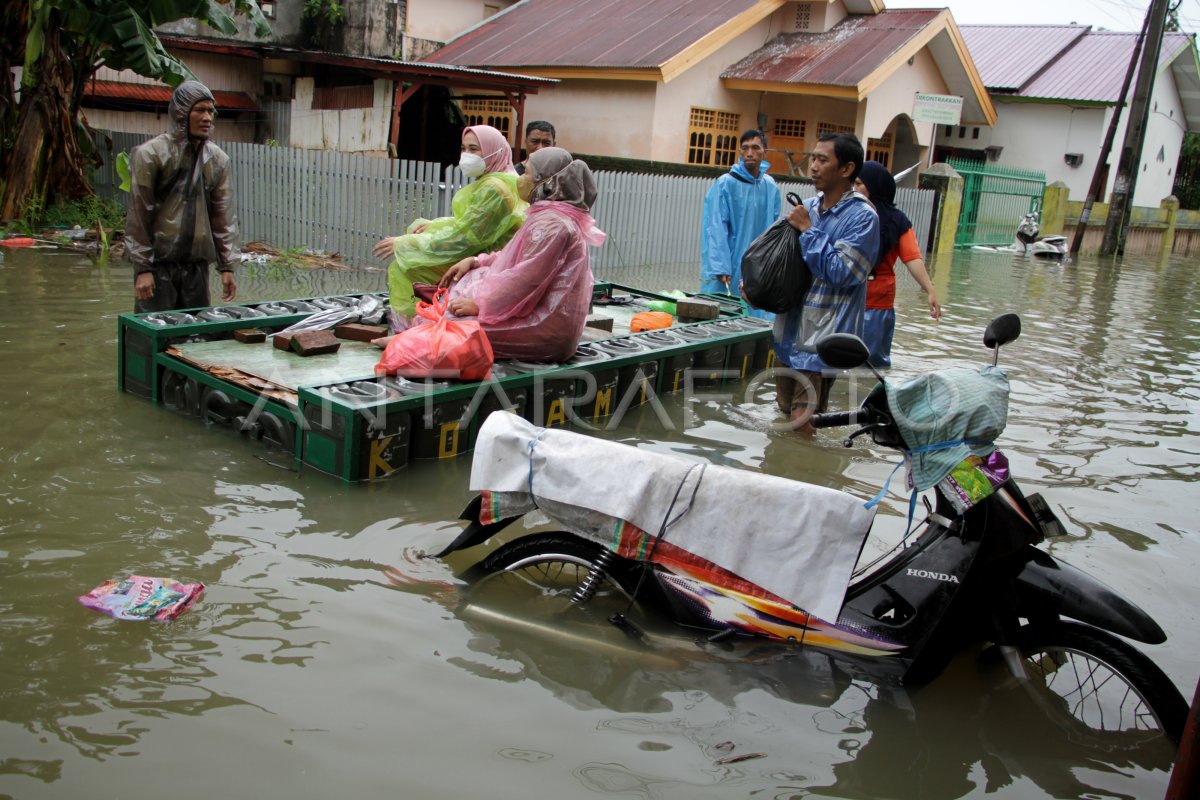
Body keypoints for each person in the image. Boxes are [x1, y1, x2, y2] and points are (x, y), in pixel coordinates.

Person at [431, 147, 605, 362]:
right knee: (468, 284)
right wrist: (476, 260)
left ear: (547, 182)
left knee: (444, 323)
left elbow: (526, 280)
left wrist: (481, 306)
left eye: (527, 173)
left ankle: (412, 344)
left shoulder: (551, 225)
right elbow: (514, 257)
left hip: (544, 328)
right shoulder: (550, 216)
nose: (520, 178)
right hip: (546, 318)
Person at [770, 132, 879, 434]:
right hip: (788, 333)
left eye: (822, 160)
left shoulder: (863, 217)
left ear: (846, 169)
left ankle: (803, 476)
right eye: (812, 158)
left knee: (802, 423)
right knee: (783, 414)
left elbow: (840, 272)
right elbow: (783, 260)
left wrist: (808, 231)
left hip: (821, 340)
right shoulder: (808, 207)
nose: (813, 166)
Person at [373, 124, 525, 326]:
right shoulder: (501, 179)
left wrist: (406, 243)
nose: (466, 155)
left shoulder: (494, 189)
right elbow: (474, 224)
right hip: (487, 256)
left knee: (406, 268)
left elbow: (463, 239)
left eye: (474, 149)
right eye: (463, 148)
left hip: (486, 262)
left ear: (494, 151)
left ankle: (412, 328)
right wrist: (434, 226)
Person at [125, 80, 238, 312]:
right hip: (158, 265)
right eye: (200, 110)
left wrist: (227, 267)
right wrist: (143, 268)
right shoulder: (151, 155)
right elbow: (139, 215)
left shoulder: (217, 160)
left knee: (196, 338)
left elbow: (222, 217)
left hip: (197, 268)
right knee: (154, 336)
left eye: (211, 111)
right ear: (181, 113)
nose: (207, 117)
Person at [855, 161, 942, 368]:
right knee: (839, 360)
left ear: (874, 187)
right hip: (846, 297)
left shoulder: (897, 221)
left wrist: (929, 290)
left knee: (873, 362)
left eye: (859, 184)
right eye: (853, 183)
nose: (854, 189)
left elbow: (912, 257)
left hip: (878, 302)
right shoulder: (847, 213)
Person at [700, 129, 781, 319]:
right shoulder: (725, 184)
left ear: (765, 151)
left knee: (757, 313)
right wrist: (720, 265)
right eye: (745, 148)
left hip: (759, 264)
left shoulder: (770, 187)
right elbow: (716, 226)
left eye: (755, 147)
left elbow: (775, 228)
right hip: (731, 262)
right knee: (724, 312)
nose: (749, 153)